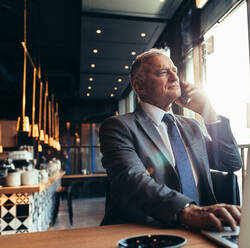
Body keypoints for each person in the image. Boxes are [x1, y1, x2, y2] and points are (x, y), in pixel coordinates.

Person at [99, 48, 242, 231]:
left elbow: (230, 162)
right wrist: (187, 211)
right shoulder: (119, 127)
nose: (175, 78)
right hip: (148, 230)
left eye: (175, 71)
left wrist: (208, 111)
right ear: (139, 86)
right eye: (163, 72)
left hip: (204, 229)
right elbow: (132, 180)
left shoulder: (192, 127)